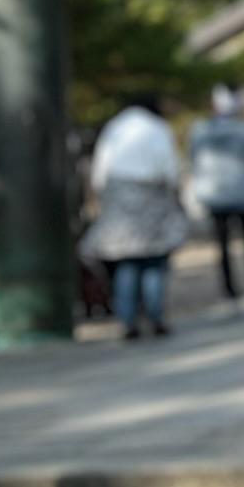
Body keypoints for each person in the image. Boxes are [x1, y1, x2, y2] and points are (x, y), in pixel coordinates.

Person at [81, 96, 188, 341]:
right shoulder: (158, 128)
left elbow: (100, 175)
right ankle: (156, 316)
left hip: (119, 200)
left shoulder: (115, 127)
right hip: (153, 197)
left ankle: (127, 320)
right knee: (154, 262)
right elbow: (170, 170)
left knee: (126, 264)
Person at [188, 86, 244, 311]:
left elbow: (194, 162)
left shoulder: (201, 132)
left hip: (216, 195)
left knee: (223, 247)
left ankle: (230, 291)